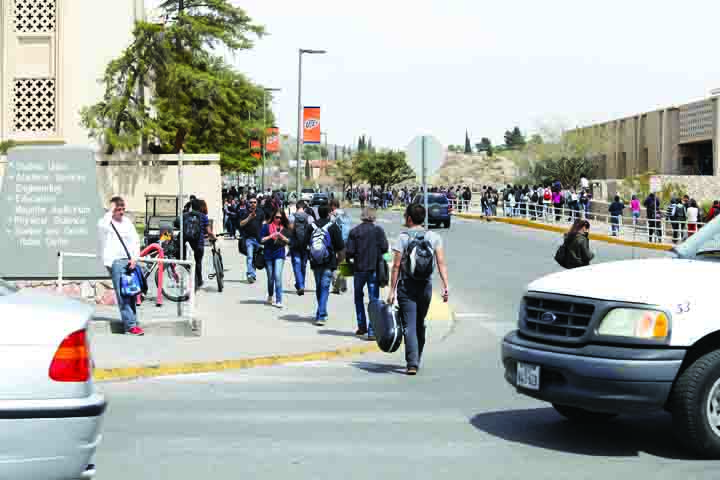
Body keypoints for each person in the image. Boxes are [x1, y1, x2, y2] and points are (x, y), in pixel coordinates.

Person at [387, 204, 450, 376]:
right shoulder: (434, 237)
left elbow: (396, 266)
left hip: (407, 287)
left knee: (409, 325)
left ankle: (412, 363)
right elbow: (441, 263)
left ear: (409, 218)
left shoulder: (403, 237)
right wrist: (445, 286)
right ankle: (417, 357)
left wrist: (392, 290)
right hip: (425, 287)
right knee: (419, 323)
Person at [97, 196, 145, 336]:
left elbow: (135, 241)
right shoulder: (106, 222)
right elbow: (102, 226)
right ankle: (130, 326)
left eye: (123, 209)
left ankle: (133, 322)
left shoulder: (127, 223)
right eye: (118, 209)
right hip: (115, 262)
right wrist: (110, 210)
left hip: (129, 261)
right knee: (124, 294)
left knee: (132, 292)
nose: (121, 212)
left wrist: (135, 258)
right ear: (112, 210)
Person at [346, 208, 389, 340]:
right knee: (373, 300)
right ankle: (372, 331)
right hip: (373, 269)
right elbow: (384, 248)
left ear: (362, 217)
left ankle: (361, 326)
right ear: (373, 218)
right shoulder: (378, 231)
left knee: (358, 297)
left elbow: (350, 252)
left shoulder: (354, 231)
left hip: (359, 269)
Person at [307, 205, 345, 326]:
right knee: (324, 288)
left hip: (315, 261)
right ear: (329, 213)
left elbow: (305, 243)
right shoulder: (333, 227)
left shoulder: (311, 227)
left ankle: (321, 311)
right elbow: (340, 247)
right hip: (329, 262)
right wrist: (339, 262)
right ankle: (321, 314)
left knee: (319, 287)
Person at [260, 208, 290, 308]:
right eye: (277, 217)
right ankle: (270, 295)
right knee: (270, 278)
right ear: (273, 217)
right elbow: (261, 240)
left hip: (279, 254)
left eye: (281, 218)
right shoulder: (266, 227)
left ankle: (279, 299)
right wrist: (271, 235)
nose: (278, 219)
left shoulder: (285, 228)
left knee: (277, 276)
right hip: (268, 254)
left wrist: (281, 236)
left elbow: (289, 241)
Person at [289, 201, 314, 296]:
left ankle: (300, 285)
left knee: (296, 264)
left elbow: (290, 229)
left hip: (295, 244)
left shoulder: (292, 216)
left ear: (296, 207)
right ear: (304, 208)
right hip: (306, 245)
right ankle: (301, 284)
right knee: (303, 265)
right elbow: (312, 231)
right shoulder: (309, 217)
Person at [239, 197, 265, 283]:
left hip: (258, 239)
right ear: (248, 203)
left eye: (254, 202)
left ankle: (253, 274)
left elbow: (263, 224)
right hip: (248, 239)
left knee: (255, 257)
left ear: (257, 203)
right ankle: (250, 274)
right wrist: (249, 217)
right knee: (250, 256)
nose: (253, 204)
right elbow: (241, 224)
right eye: (251, 202)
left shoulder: (260, 212)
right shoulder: (245, 212)